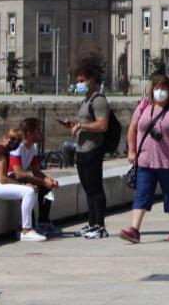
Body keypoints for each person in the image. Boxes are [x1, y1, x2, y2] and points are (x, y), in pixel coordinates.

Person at [119, 75, 169, 243]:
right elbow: (132, 130)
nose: (160, 92)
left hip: (168, 162)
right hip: (145, 161)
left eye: (164, 89)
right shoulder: (143, 107)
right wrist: (132, 151)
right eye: (157, 88)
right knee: (141, 194)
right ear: (152, 90)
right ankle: (134, 230)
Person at [62, 57, 111, 239]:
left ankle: (100, 225)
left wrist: (82, 126)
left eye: (82, 81)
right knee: (87, 189)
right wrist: (74, 125)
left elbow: (102, 125)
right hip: (81, 150)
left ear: (91, 80)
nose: (79, 84)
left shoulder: (98, 101)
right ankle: (92, 223)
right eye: (78, 81)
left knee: (95, 188)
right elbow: (87, 123)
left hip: (93, 150)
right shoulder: (85, 101)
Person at [0, 128, 46, 242]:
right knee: (29, 191)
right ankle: (26, 230)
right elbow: (3, 178)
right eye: (12, 139)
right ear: (4, 138)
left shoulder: (2, 150)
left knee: (32, 189)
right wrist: (24, 185)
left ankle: (23, 228)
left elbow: (3, 177)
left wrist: (26, 183)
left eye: (18, 140)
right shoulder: (0, 150)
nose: (15, 142)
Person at [9, 118, 60, 234]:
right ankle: (26, 226)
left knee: (48, 188)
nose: (41, 134)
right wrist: (40, 182)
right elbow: (18, 173)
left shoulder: (33, 147)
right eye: (39, 131)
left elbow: (36, 171)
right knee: (30, 189)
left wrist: (48, 180)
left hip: (19, 177)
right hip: (9, 178)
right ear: (29, 134)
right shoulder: (18, 146)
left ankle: (44, 222)